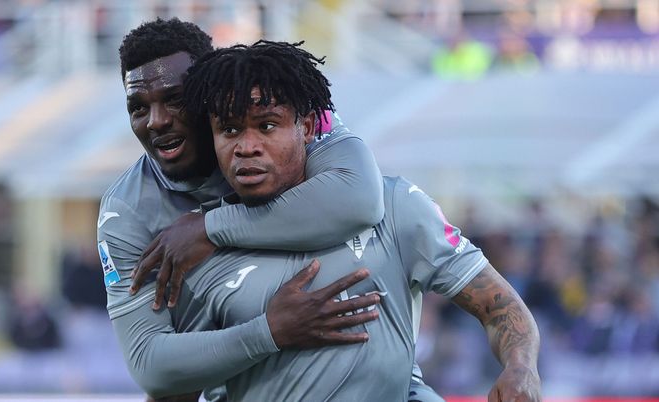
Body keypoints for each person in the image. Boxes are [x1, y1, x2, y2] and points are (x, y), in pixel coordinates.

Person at [122, 39, 541, 401]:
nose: (247, 146)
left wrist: (521, 367)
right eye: (229, 131)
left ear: (306, 127)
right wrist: (268, 332)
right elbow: (173, 386)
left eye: (266, 126)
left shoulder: (396, 206)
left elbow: (499, 306)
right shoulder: (195, 248)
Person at [99, 17, 393, 402]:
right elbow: (150, 365)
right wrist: (269, 331)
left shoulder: (292, 114)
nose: (157, 121)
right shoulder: (126, 212)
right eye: (138, 107)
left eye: (175, 99)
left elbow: (361, 199)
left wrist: (211, 228)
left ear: (208, 94)